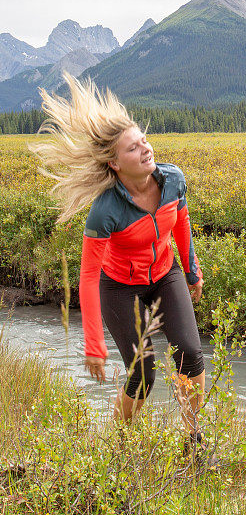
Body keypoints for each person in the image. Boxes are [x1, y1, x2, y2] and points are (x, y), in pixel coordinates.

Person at [31, 74, 205, 447]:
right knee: (143, 372)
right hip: (119, 286)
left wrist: (191, 271)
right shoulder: (105, 211)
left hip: (163, 274)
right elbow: (90, 276)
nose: (145, 149)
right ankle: (120, 445)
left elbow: (183, 223)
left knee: (190, 353)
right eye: (132, 148)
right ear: (114, 164)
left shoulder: (173, 180)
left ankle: (195, 440)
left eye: (144, 140)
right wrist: (94, 345)